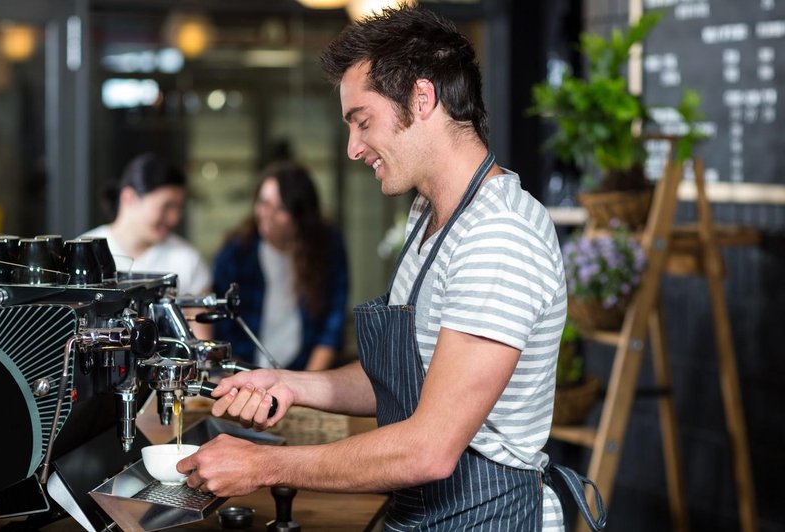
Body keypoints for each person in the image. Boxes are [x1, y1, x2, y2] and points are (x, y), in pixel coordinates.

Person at [179, 7, 605, 531]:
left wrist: (262, 463)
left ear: (421, 99)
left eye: (362, 121)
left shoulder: (498, 235)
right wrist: (288, 385)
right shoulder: (428, 217)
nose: (354, 148)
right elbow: (406, 376)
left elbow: (429, 449)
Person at [212, 160, 349, 371]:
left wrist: (306, 385)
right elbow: (223, 326)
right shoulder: (237, 251)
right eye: (263, 203)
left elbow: (332, 327)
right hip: (247, 370)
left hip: (303, 368)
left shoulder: (327, 247)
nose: (268, 215)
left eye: (282, 208)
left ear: (301, 215)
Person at [81, 152, 212, 337]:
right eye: (167, 206)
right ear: (129, 198)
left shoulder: (187, 260)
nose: (174, 218)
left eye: (178, 208)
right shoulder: (86, 252)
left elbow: (201, 338)